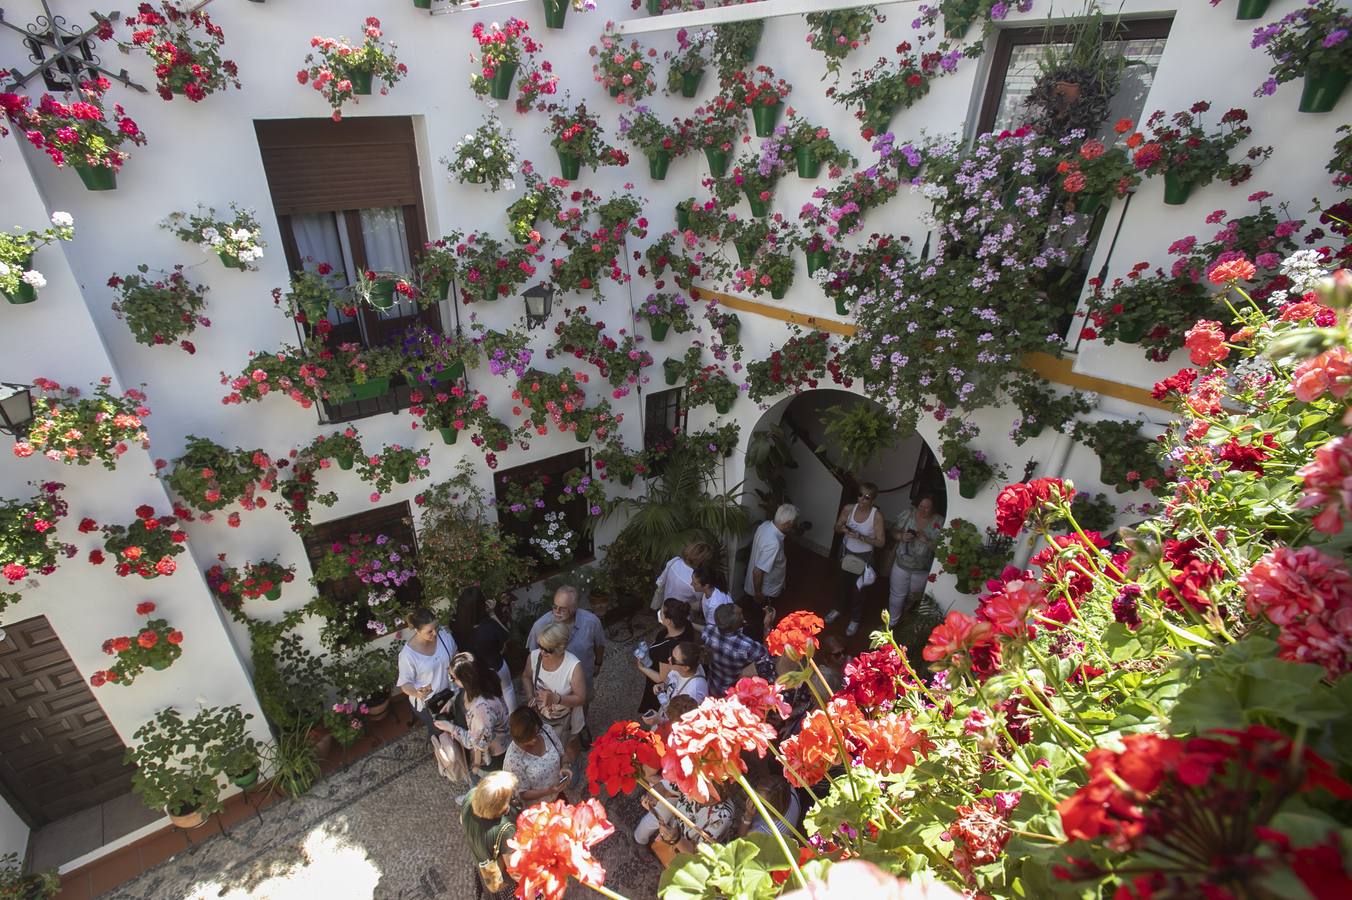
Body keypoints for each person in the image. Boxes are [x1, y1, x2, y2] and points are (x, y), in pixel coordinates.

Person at [526, 586, 606, 744]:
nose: (556, 612)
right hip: (551, 682)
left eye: (562, 609)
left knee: (581, 706)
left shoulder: (591, 622)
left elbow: (599, 644)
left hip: (583, 678)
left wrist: (598, 662)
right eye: (554, 607)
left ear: (575, 608)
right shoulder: (540, 626)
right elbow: (532, 657)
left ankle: (580, 729)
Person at [437, 653, 511, 798]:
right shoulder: (482, 682)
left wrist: (450, 728)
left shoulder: (481, 709)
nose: (451, 681)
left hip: (490, 757)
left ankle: (476, 800)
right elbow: (462, 692)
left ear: (466, 679)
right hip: (489, 743)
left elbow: (477, 743)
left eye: (453, 678)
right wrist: (452, 701)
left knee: (484, 785)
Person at [830, 483, 886, 637]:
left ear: (873, 500)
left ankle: (855, 619)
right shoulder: (849, 509)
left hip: (864, 557)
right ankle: (838, 609)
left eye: (866, 497)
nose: (862, 499)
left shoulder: (876, 516)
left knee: (858, 590)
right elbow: (836, 526)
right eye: (860, 495)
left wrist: (862, 537)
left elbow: (881, 542)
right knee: (841, 583)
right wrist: (842, 528)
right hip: (846, 552)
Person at [521, 621, 587, 746]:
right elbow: (526, 676)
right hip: (539, 716)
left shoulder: (573, 666)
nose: (542, 652)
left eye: (548, 649)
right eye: (540, 646)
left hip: (563, 720)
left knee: (562, 747)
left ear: (560, 648)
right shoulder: (534, 657)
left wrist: (556, 698)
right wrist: (530, 696)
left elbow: (581, 699)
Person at [397, 608, 457, 737]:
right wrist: (417, 693)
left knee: (460, 723)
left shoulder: (444, 635)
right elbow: (405, 684)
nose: (435, 633)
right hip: (429, 702)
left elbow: (455, 656)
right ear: (417, 631)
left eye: (437, 627)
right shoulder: (408, 655)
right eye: (429, 631)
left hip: (450, 692)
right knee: (441, 733)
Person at [742, 504, 798, 642]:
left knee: (754, 615)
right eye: (793, 523)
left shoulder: (766, 525)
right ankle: (760, 641)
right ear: (788, 523)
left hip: (756, 586)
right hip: (765, 591)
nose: (794, 525)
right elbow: (758, 571)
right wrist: (758, 593)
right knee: (762, 619)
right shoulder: (773, 543)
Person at [460, 770, 518, 899]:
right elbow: (514, 869)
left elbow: (461, 819)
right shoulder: (505, 829)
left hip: (483, 866)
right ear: (502, 807)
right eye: (509, 797)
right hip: (501, 878)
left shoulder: (470, 797)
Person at [503, 707, 578, 806]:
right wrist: (549, 791)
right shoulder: (513, 760)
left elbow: (562, 754)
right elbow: (523, 794)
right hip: (539, 808)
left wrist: (565, 766)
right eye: (529, 738)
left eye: (536, 733)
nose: (534, 740)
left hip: (558, 796)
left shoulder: (546, 730)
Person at [635, 784, 735, 855]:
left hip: (690, 847)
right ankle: (640, 840)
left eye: (712, 795)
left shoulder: (723, 815)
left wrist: (676, 839)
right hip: (677, 826)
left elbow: (697, 854)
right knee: (658, 814)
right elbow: (665, 786)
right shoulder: (693, 779)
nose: (697, 795)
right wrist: (654, 794)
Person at [890, 495, 943, 625]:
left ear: (933, 508)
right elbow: (892, 531)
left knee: (913, 598)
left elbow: (942, 549)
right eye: (921, 507)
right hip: (902, 564)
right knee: (897, 595)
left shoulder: (940, 521)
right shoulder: (908, 514)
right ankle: (891, 623)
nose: (924, 510)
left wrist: (927, 541)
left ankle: (905, 622)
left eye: (928, 508)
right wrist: (901, 536)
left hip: (922, 569)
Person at [702, 603, 774, 696]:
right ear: (739, 623)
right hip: (732, 692)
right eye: (741, 614)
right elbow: (767, 655)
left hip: (713, 685)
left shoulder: (708, 631)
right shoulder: (748, 646)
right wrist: (767, 627)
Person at [638, 598, 695, 716]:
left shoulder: (666, 649)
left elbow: (661, 678)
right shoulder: (687, 626)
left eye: (662, 612)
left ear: (668, 621)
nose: (659, 613)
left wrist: (642, 668)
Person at [636, 641, 708, 724]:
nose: (669, 659)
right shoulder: (680, 668)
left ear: (685, 667)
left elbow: (684, 723)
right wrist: (663, 685)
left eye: (673, 659)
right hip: (667, 707)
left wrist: (659, 720)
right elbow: (671, 679)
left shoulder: (694, 693)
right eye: (671, 654)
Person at [469, 590, 517, 712]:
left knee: (489, 700)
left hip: (477, 671)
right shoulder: (489, 625)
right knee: (507, 690)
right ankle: (514, 719)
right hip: (497, 664)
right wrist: (492, 614)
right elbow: (506, 635)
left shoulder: (460, 630)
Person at [737, 769, 802, 840]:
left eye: (759, 800)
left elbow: (742, 838)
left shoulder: (764, 831)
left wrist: (748, 816)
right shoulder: (790, 791)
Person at [653, 540, 716, 610]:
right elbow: (704, 601)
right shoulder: (696, 579)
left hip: (665, 608)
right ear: (704, 560)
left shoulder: (675, 561)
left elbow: (660, 581)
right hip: (682, 617)